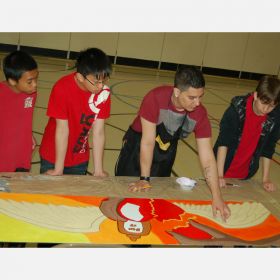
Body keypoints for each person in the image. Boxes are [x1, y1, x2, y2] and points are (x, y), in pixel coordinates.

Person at [115, 66, 230, 221]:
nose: (197, 103)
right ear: (177, 92)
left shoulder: (199, 113)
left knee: (154, 200)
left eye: (200, 97)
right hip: (138, 146)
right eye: (192, 97)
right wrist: (144, 179)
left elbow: (208, 158)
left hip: (165, 150)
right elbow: (147, 142)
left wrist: (217, 197)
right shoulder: (155, 98)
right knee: (125, 195)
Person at [39, 48, 112, 176]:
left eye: (103, 80)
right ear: (80, 77)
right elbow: (62, 130)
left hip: (79, 158)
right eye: (96, 82)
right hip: (53, 155)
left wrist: (98, 170)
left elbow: (98, 132)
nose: (100, 86)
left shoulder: (103, 93)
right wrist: (58, 169)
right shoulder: (61, 88)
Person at [214, 75, 280, 192]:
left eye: (271, 106)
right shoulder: (236, 110)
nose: (266, 109)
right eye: (263, 103)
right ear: (255, 95)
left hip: (246, 175)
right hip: (221, 168)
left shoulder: (275, 116)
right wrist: (219, 175)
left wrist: (265, 179)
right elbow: (223, 143)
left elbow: (269, 148)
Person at [0, 50, 38, 172]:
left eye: (36, 79)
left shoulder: (31, 93)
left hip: (22, 155)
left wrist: (28, 135)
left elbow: (22, 117)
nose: (35, 85)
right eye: (29, 81)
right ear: (12, 81)